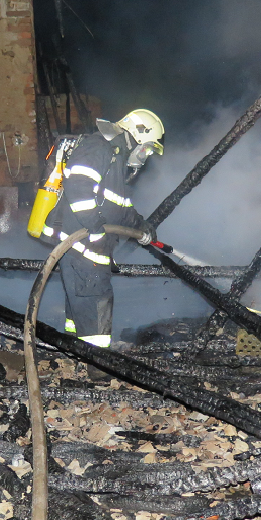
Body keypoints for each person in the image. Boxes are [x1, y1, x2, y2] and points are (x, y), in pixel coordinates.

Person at [40, 109, 164, 348]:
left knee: (81, 302)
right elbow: (77, 184)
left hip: (89, 247)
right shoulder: (100, 147)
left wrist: (142, 227)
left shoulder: (116, 159)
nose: (146, 154)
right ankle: (98, 366)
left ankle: (75, 350)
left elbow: (121, 206)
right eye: (147, 147)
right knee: (96, 300)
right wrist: (94, 225)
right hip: (82, 245)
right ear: (137, 134)